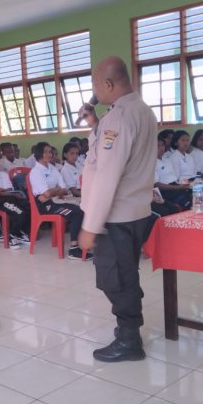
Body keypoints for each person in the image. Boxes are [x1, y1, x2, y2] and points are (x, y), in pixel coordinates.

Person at [77, 56, 157, 363]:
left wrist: (90, 226)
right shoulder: (139, 111)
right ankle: (128, 329)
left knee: (115, 278)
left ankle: (129, 340)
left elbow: (107, 176)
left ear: (108, 84)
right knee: (124, 273)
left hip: (117, 216)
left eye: (96, 84)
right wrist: (95, 123)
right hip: (136, 211)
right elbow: (110, 153)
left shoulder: (119, 119)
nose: (95, 90)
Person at [29, 142, 85, 260]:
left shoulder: (53, 168)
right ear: (39, 153)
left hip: (55, 200)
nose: (49, 154)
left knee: (82, 207)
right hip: (44, 205)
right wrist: (54, 191)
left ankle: (82, 243)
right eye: (45, 152)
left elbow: (63, 189)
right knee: (76, 212)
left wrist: (53, 192)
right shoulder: (35, 172)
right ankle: (74, 249)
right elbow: (47, 193)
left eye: (50, 152)